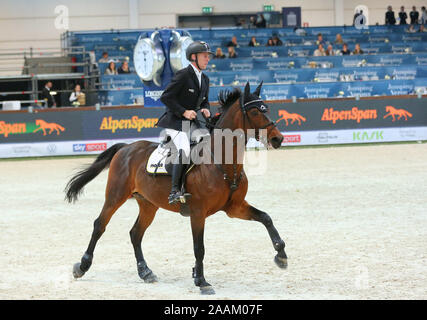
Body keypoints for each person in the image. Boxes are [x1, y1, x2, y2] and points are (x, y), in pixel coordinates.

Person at [157, 41, 212, 204]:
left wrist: (205, 108)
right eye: (204, 56)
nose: (207, 59)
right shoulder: (183, 75)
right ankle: (174, 190)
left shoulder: (205, 79)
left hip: (191, 123)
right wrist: (184, 111)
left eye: (208, 56)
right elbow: (166, 97)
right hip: (174, 121)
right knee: (185, 149)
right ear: (193, 57)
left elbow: (205, 101)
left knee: (208, 142)